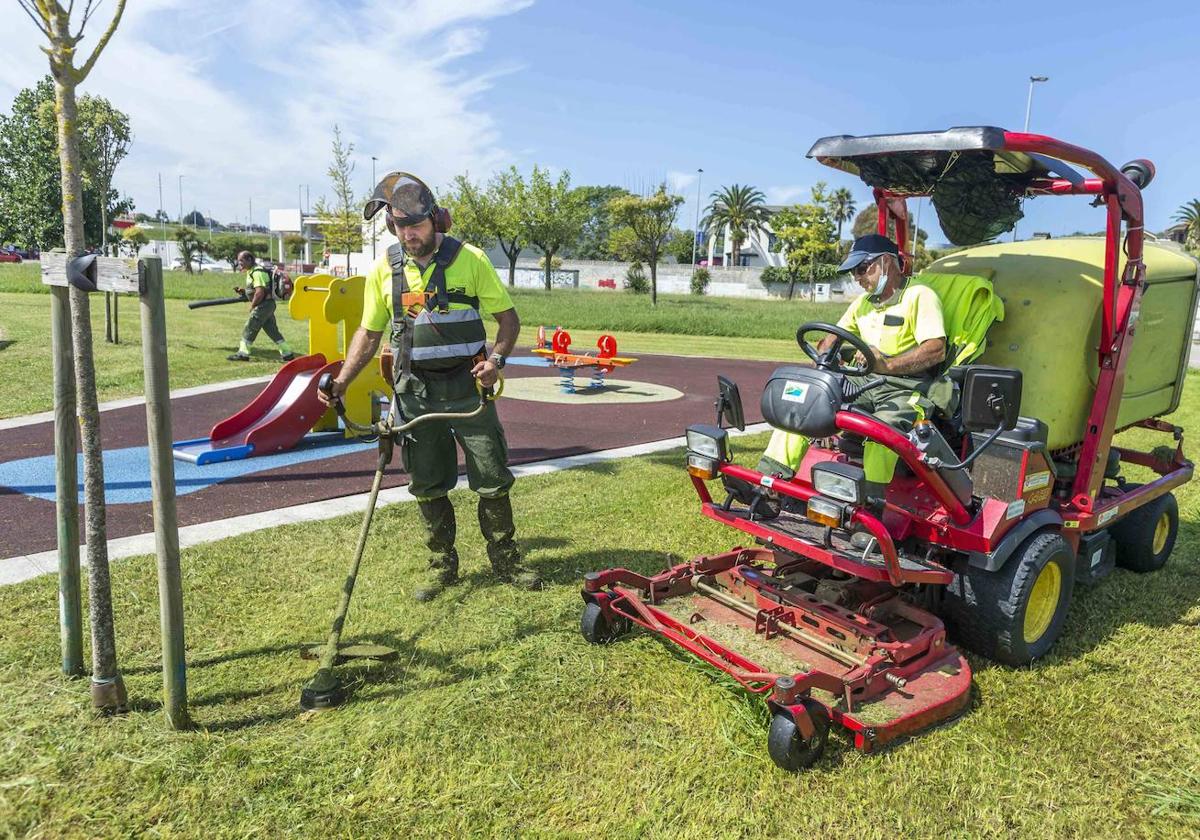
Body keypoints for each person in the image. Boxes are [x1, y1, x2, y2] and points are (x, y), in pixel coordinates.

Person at [319, 171, 540, 600]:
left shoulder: (470, 260)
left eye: (416, 225)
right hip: (416, 395)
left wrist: (495, 361)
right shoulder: (385, 269)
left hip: (468, 391)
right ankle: (442, 566)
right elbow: (369, 333)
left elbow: (508, 320)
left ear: (435, 221)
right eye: (401, 226)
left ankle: (507, 561)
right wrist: (343, 380)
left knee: (492, 477)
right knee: (427, 482)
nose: (409, 234)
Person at [758, 233, 947, 495]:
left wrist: (888, 365)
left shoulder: (919, 296)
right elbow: (834, 336)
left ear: (886, 262)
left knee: (882, 432)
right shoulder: (863, 304)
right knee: (804, 405)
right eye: (853, 273)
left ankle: (870, 506)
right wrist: (825, 355)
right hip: (865, 381)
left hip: (905, 388)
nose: (857, 279)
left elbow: (936, 350)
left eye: (861, 269)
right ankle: (767, 482)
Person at [227, 251, 296, 362]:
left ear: (249, 259)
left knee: (250, 327)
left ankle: (243, 353)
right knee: (272, 330)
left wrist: (252, 305)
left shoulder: (258, 272)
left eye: (241, 260)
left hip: (263, 305)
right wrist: (244, 292)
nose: (239, 263)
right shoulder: (252, 271)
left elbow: (260, 292)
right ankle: (287, 353)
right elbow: (255, 290)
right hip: (267, 305)